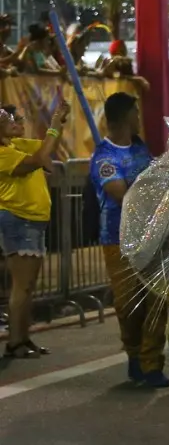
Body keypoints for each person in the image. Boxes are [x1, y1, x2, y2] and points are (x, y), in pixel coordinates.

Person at [88, 93, 168, 387]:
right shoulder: (105, 158)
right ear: (124, 117)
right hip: (118, 239)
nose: (140, 117)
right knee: (128, 305)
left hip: (151, 237)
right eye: (136, 112)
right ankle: (135, 354)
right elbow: (120, 193)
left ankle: (152, 363)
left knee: (157, 302)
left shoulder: (140, 150)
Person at [0, 100, 69, 358]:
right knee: (22, 285)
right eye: (10, 120)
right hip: (18, 219)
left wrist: (58, 121)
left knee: (29, 286)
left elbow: (47, 148)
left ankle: (24, 338)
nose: (17, 122)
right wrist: (53, 124)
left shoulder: (15, 145)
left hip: (31, 219)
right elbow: (42, 157)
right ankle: (15, 342)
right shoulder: (2, 153)